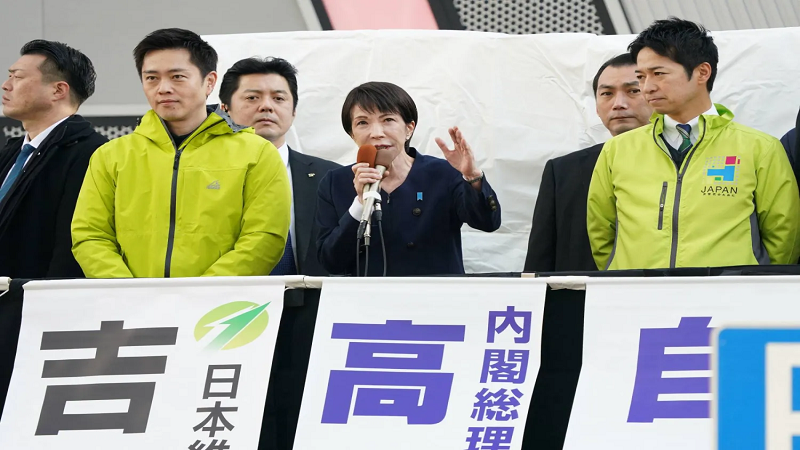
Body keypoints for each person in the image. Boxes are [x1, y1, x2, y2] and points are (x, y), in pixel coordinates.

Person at [71, 28, 291, 278]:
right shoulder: (111, 156)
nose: (163, 88)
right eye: (151, 78)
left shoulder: (257, 153)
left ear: (209, 82)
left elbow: (264, 238)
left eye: (177, 77)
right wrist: (129, 292)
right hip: (130, 299)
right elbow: (90, 235)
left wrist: (196, 294)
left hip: (220, 301)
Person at [587, 18, 800, 270]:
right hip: (639, 292)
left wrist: (750, 279)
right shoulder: (617, 150)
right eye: (641, 76)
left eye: (658, 74)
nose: (647, 87)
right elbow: (601, 232)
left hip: (730, 292)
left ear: (702, 72)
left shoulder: (760, 148)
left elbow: (783, 235)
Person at [316, 81, 501, 276]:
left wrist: (472, 176)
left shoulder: (443, 172)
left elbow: (488, 223)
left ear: (409, 128)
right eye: (362, 123)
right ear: (352, 134)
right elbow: (330, 261)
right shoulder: (335, 182)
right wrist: (360, 203)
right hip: (367, 294)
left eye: (388, 120)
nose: (376, 133)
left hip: (435, 293)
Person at [524, 53, 652, 272]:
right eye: (607, 94)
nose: (619, 104)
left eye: (633, 91)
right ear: (597, 107)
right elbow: (540, 260)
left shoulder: (686, 165)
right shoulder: (563, 172)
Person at [220, 57, 340, 277]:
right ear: (225, 109)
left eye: (278, 98)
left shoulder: (331, 177)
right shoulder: (204, 173)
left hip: (313, 296)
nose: (267, 106)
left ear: (293, 110)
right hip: (231, 295)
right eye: (252, 97)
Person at [0, 40, 106, 279]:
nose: (6, 86)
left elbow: (72, 247)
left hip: (33, 297)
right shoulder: (12, 152)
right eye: (9, 76)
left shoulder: (90, 153)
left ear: (58, 90)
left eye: (18, 77)